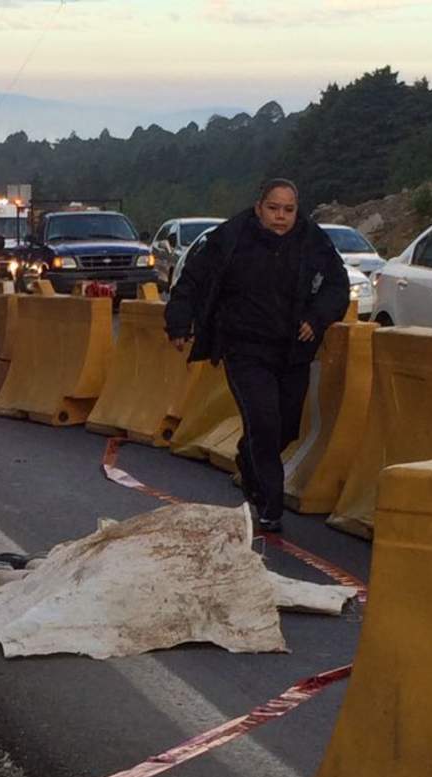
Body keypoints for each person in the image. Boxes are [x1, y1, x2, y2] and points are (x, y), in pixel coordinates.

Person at [165, 178, 349, 533]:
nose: (281, 217)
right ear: (259, 207)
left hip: (292, 351)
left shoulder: (312, 240)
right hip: (243, 349)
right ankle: (269, 504)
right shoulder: (232, 237)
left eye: (288, 210)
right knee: (264, 421)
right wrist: (179, 322)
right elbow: (192, 281)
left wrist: (317, 317)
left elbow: (337, 285)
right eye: (273, 208)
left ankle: (248, 460)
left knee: (286, 428)